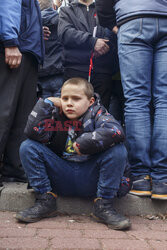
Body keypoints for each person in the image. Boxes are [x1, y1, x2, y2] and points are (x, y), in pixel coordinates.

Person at [15, 77, 130, 230]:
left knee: (118, 150)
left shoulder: (98, 113)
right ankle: (45, 200)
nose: (69, 103)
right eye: (65, 98)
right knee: (27, 146)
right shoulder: (54, 114)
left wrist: (86, 142)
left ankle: (104, 206)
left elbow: (116, 131)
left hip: (91, 178)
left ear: (90, 102)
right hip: (61, 175)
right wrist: (46, 103)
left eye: (76, 99)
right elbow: (32, 132)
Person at [96, 0, 167, 199]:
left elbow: (102, 4)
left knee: (136, 99)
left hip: (133, 18)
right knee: (165, 100)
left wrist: (115, 24)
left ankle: (141, 177)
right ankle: (163, 179)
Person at [0, 0, 44, 183]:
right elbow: (8, 3)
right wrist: (10, 40)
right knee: (5, 111)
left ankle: (15, 169)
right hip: (16, 48)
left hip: (28, 50)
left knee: (22, 116)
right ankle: (14, 168)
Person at [58, 0, 119, 110]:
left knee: (100, 113)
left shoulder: (105, 10)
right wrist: (92, 42)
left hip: (102, 71)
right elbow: (65, 33)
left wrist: (104, 45)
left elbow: (114, 33)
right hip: (75, 70)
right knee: (72, 115)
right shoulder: (66, 10)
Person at [38, 0, 64, 99]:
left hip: (41, 72)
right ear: (53, 6)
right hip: (58, 70)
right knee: (60, 105)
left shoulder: (33, 24)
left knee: (43, 107)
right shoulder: (61, 20)